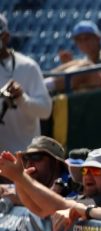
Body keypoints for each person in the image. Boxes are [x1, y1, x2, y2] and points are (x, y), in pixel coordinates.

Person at [0, 148, 101, 219]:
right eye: (85, 170)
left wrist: (21, 178)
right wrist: (19, 180)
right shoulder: (84, 198)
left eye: (96, 171)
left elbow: (57, 206)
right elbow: (41, 210)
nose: (88, 175)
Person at [0, 14, 52, 153]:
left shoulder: (27, 66)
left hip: (26, 157)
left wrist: (22, 99)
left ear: (5, 36)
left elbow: (45, 110)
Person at [46, 21, 101, 93]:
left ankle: (44, 86)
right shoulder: (82, 61)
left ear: (98, 39)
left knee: (86, 66)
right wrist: (70, 65)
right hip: (89, 98)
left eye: (87, 38)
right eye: (79, 40)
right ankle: (43, 81)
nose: (83, 43)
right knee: (75, 63)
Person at [1, 136, 70, 204]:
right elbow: (8, 188)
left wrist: (23, 199)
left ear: (56, 162)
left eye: (36, 157)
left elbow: (64, 204)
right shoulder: (33, 179)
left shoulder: (72, 185)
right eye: (26, 158)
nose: (29, 164)